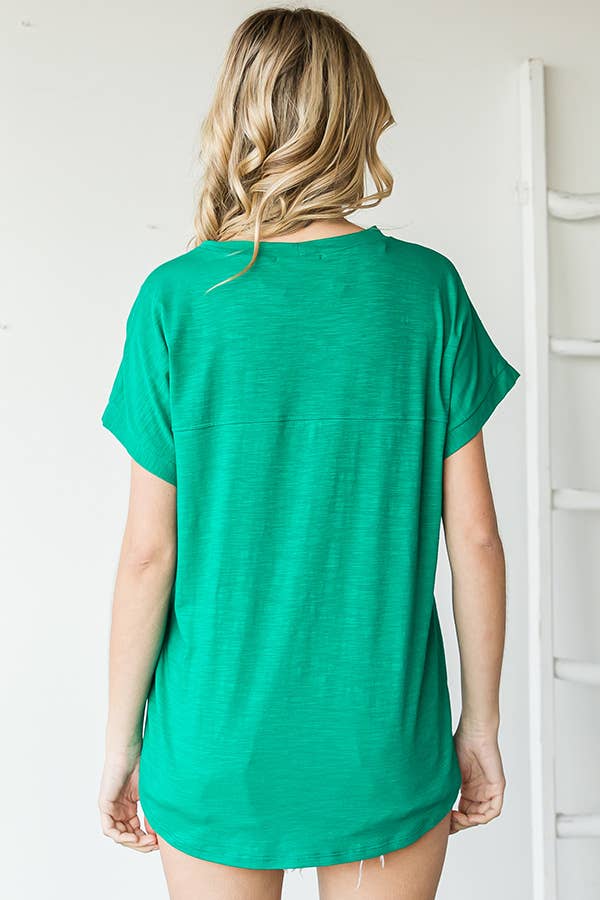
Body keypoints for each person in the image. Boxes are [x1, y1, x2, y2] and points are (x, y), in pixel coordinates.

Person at [97, 6, 519, 899]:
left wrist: (120, 741)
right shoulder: (427, 291)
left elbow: (147, 554)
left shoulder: (175, 300)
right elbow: (476, 541)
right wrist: (480, 726)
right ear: (357, 116)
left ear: (236, 115)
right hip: (380, 741)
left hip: (213, 744)